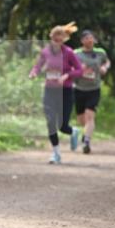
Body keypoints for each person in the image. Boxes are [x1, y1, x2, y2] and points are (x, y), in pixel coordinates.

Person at [29, 23, 83, 164]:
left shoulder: (69, 52)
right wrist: (34, 73)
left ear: (63, 39)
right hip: (50, 90)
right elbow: (38, 66)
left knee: (63, 126)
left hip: (65, 91)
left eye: (60, 39)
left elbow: (79, 70)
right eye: (55, 38)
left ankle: (73, 131)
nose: (57, 41)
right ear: (51, 37)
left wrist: (66, 76)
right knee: (50, 121)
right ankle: (56, 153)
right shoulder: (45, 52)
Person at [73, 29, 111, 153]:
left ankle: (87, 141)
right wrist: (78, 69)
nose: (89, 40)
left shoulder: (100, 52)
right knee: (80, 118)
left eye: (91, 38)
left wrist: (104, 67)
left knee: (90, 115)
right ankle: (85, 133)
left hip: (94, 88)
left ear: (94, 40)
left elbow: (107, 62)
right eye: (86, 38)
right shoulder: (76, 53)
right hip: (79, 88)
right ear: (82, 41)